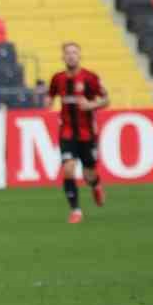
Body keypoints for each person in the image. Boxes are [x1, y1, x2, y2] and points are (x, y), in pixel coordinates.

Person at [46, 41, 109, 224]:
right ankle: (75, 210)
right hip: (66, 132)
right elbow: (51, 95)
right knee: (68, 169)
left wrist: (92, 105)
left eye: (74, 53)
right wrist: (47, 101)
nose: (71, 56)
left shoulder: (90, 78)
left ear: (79, 56)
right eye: (68, 53)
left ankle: (95, 184)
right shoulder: (58, 79)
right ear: (63, 57)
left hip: (87, 134)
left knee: (89, 174)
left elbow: (106, 100)